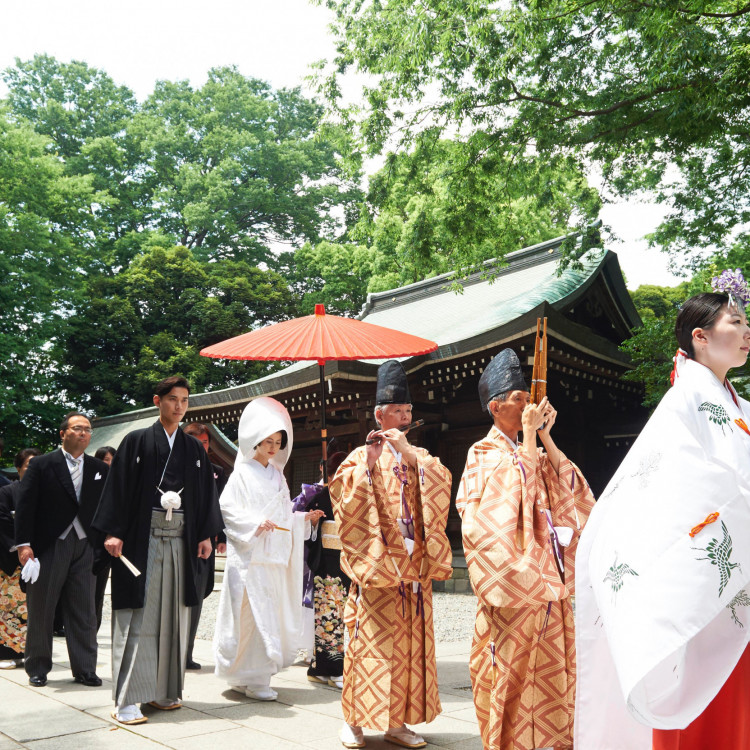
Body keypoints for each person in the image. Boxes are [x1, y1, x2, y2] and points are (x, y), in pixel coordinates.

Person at [575, 287, 750, 750]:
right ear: (700, 336)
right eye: (735, 321)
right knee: (703, 695)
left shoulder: (739, 408)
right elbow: (679, 487)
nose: (746, 330)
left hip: (738, 577)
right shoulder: (685, 401)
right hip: (704, 580)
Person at [455, 349, 595, 750]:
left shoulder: (528, 447)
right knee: (512, 674)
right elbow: (492, 515)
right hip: (516, 587)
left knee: (554, 674)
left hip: (550, 582)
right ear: (495, 406)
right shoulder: (483, 453)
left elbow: (574, 493)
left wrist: (545, 435)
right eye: (519, 398)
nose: (528, 405)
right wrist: (530, 439)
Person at [330, 360, 453, 749]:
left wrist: (409, 455)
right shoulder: (358, 456)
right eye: (396, 411)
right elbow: (343, 498)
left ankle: (397, 722)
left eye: (407, 410)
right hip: (378, 563)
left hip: (413, 564)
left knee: (408, 648)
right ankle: (353, 721)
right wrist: (368, 462)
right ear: (379, 414)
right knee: (368, 644)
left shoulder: (419, 455)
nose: (403, 416)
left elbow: (441, 481)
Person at [92, 376, 223, 726]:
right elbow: (117, 488)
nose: (179, 406)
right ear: (157, 401)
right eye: (172, 399)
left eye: (184, 400)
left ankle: (163, 689)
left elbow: (204, 498)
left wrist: (207, 534)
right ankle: (127, 699)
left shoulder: (194, 449)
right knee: (139, 617)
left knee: (173, 615)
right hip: (141, 537)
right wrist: (113, 532)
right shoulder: (135, 441)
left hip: (181, 537)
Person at [213, 397, 324, 700]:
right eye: (268, 441)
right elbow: (227, 508)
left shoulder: (277, 475)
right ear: (255, 441)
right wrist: (254, 523)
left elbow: (283, 515)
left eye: (278, 441)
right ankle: (247, 676)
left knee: (268, 614)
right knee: (249, 616)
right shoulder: (241, 474)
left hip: (272, 555)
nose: (274, 447)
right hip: (250, 556)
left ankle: (256, 676)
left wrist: (304, 519)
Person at [14, 413, 109, 688]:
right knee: (42, 607)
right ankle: (38, 667)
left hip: (86, 544)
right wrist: (24, 545)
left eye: (87, 430)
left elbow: (106, 506)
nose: (83, 433)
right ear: (62, 433)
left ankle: (85, 669)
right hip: (49, 544)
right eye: (77, 428)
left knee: (84, 610)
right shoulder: (43, 464)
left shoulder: (98, 468)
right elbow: (25, 506)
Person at [182, 422, 227, 670]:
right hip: (175, 537)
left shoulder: (217, 471)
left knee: (197, 597)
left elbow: (218, 507)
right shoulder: (172, 468)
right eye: (196, 441)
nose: (202, 446)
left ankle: (186, 653)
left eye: (205, 442)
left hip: (204, 541)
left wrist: (220, 537)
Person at [302, 451, 349, 690]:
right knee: (328, 616)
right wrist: (312, 521)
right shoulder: (320, 496)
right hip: (327, 561)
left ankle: (319, 668)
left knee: (342, 616)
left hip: (347, 560)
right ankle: (332, 669)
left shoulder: (353, 496)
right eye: (335, 473)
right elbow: (307, 529)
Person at [0, 448, 41, 669]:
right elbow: (3, 520)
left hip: (39, 558)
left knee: (32, 608)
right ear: (18, 468)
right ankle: (5, 653)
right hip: (12, 559)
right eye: (28, 466)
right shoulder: (7, 492)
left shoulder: (47, 493)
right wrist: (20, 546)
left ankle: (29, 652)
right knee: (8, 607)